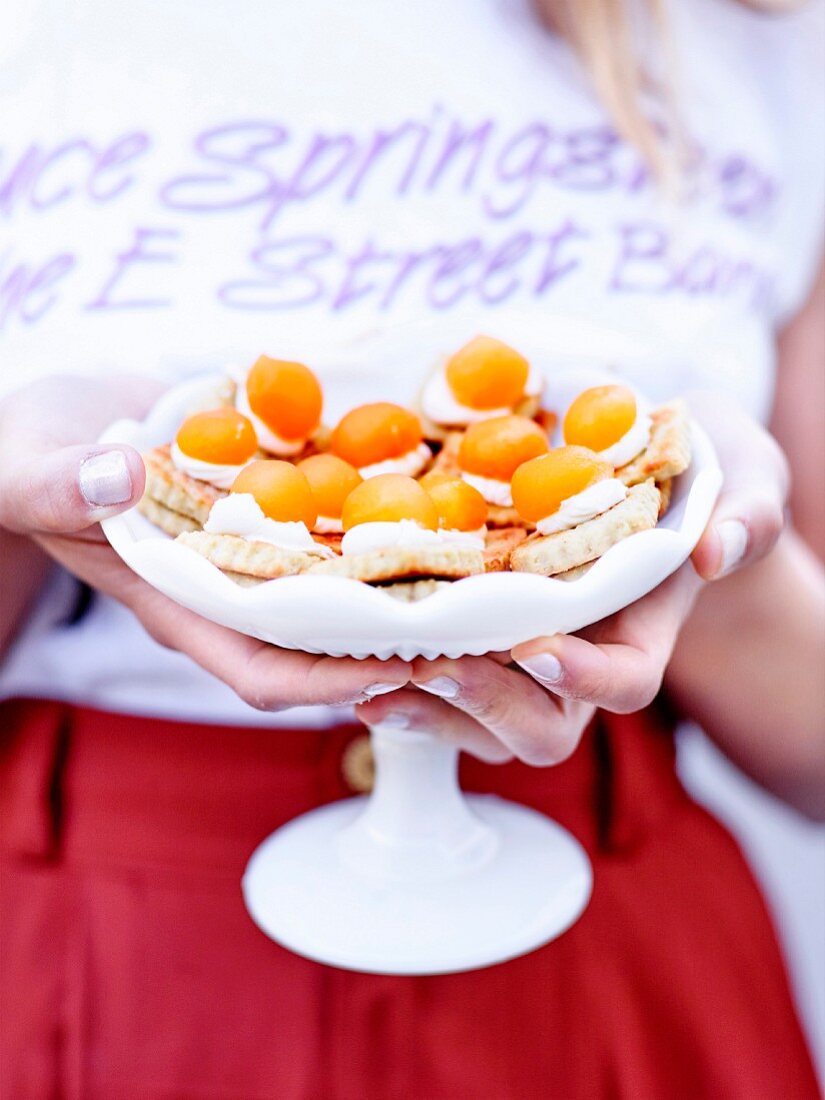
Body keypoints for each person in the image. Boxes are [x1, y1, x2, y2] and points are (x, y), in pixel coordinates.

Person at [1, 0, 823, 1095]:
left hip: (606, 941)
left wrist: (696, 542)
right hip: (102, 947)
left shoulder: (751, 37)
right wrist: (22, 495)